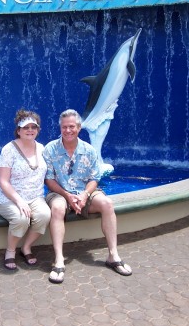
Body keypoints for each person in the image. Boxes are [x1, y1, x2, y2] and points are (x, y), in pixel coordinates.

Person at [43, 109, 132, 283]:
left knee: (107, 203)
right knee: (58, 208)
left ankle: (113, 255)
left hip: (84, 192)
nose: (68, 131)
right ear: (60, 128)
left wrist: (84, 195)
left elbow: (94, 178)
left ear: (79, 127)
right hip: (59, 193)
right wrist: (68, 195)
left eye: (72, 127)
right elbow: (49, 180)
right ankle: (59, 260)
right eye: (64, 127)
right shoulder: (50, 149)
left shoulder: (89, 150)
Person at [0, 109, 51, 270]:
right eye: (26, 127)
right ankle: (10, 251)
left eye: (34, 127)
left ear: (38, 130)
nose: (30, 130)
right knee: (21, 218)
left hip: (35, 197)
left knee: (44, 215)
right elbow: (3, 181)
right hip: (9, 198)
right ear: (18, 130)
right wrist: (19, 201)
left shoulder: (42, 148)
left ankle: (26, 247)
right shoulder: (8, 149)